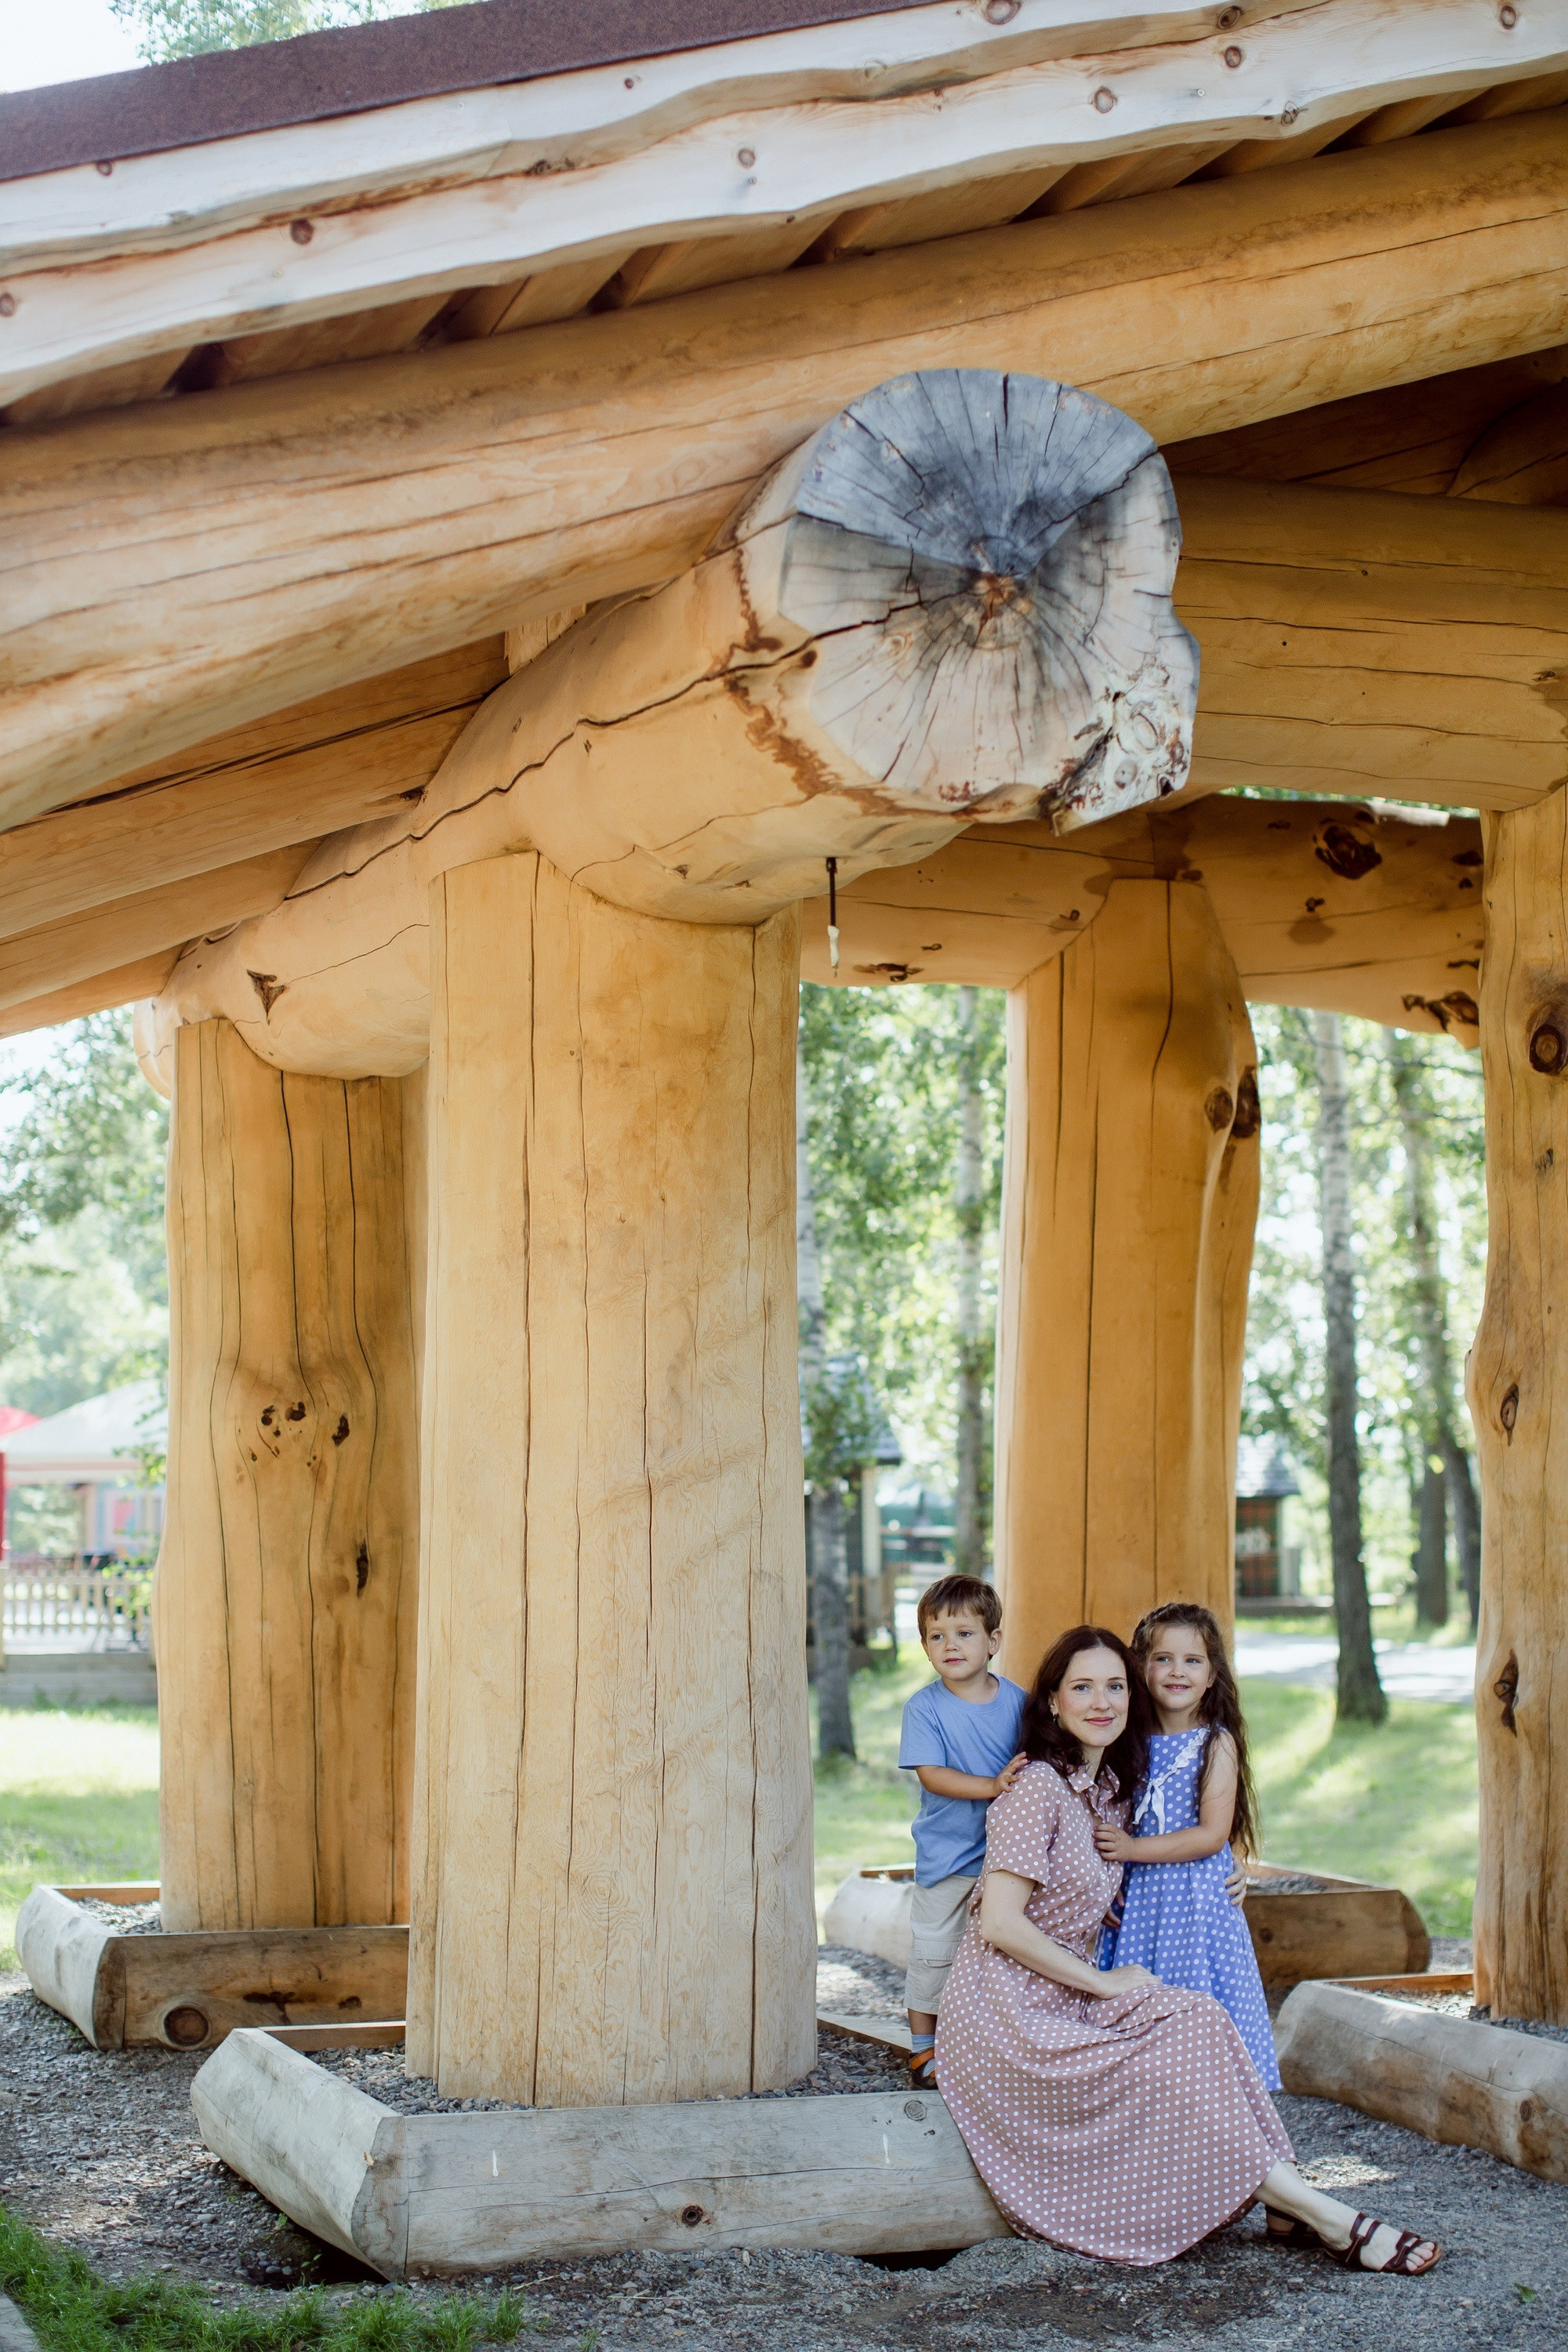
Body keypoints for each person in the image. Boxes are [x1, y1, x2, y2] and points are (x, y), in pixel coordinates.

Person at [934, 1625, 1441, 2273]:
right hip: (1008, 2015)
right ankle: (1330, 2217)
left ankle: (1292, 2202)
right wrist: (1105, 1983)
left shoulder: (1106, 1792)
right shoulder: (1033, 1788)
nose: (1102, 1701)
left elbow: (1176, 1840)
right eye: (1082, 1687)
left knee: (1200, 2017)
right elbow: (1002, 1925)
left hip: (1068, 1994)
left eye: (1115, 1685)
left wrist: (1226, 1865)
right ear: (1053, 1702)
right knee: (1160, 2069)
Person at [1092, 1602, 1279, 2089]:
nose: (1177, 1671)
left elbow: (1211, 1835)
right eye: (1162, 1659)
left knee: (1199, 2002)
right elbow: (1099, 1819)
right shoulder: (1123, 1739)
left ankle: (1220, 2126)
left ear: (1213, 1674)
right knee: (1138, 2012)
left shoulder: (1215, 1743)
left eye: (1192, 1661)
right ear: (1140, 1668)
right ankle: (1148, 2122)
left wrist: (1130, 1851)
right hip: (1137, 1907)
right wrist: (1104, 1880)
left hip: (1195, 1908)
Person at [897, 1573, 1025, 2085]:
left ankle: (989, 2044)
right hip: (947, 1858)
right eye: (936, 1635)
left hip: (1008, 1859)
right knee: (933, 1952)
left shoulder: (1020, 1703)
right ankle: (923, 2049)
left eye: (965, 1633)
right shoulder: (925, 1708)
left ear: (993, 1641)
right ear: (925, 1646)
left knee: (999, 1957)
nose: (950, 1645)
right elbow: (934, 1775)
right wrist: (994, 1786)